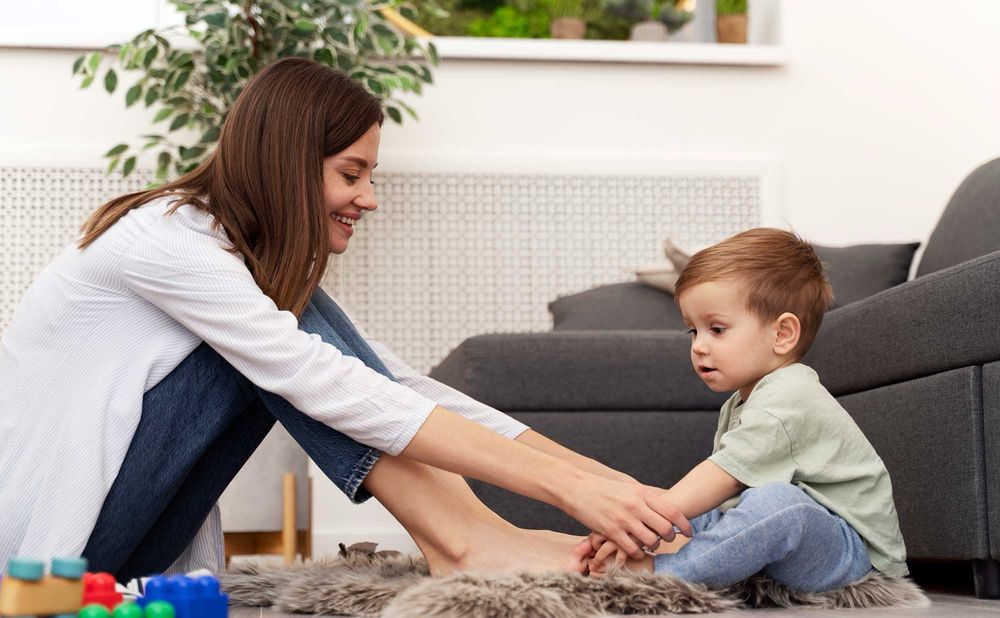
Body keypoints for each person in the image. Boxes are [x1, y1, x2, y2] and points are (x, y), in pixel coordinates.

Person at [0, 57, 692, 582]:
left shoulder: (238, 264)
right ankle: (463, 541)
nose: (369, 198)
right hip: (50, 554)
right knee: (291, 360)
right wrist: (566, 491)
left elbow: (397, 385)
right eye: (351, 173)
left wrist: (610, 486)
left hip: (124, 543)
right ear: (289, 164)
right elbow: (325, 381)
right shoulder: (165, 241)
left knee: (321, 355)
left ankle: (473, 535)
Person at [581, 228, 908, 592]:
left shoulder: (790, 397)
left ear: (782, 334)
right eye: (693, 331)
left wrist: (643, 521)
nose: (699, 346)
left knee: (776, 503)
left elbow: (725, 477)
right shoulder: (742, 400)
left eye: (717, 329)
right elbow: (718, 492)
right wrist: (637, 530)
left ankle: (665, 576)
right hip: (799, 551)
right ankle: (656, 554)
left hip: (853, 557)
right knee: (709, 505)